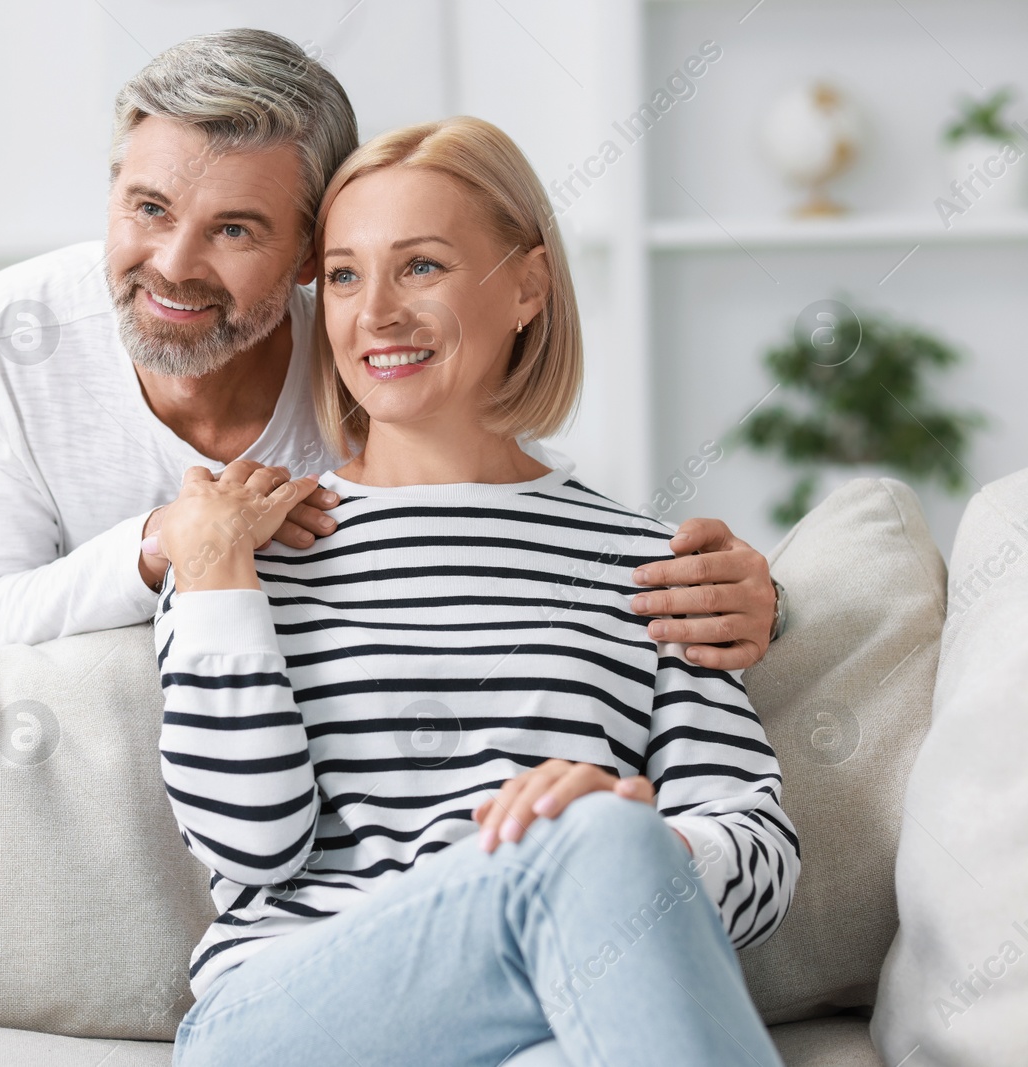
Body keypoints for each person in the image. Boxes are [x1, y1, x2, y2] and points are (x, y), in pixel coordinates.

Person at [151, 115, 799, 1067]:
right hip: (285, 1014)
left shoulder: (654, 563)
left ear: (528, 285)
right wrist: (210, 578)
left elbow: (759, 848)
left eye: (421, 266)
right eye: (342, 274)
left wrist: (642, 844)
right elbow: (249, 851)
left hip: (552, 1016)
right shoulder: (246, 551)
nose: (374, 313)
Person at [0, 29, 784, 664]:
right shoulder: (11, 330)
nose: (173, 266)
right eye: (148, 209)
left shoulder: (364, 344)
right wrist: (163, 542)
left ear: (306, 254)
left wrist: (755, 601)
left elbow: (505, 526)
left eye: (235, 229)